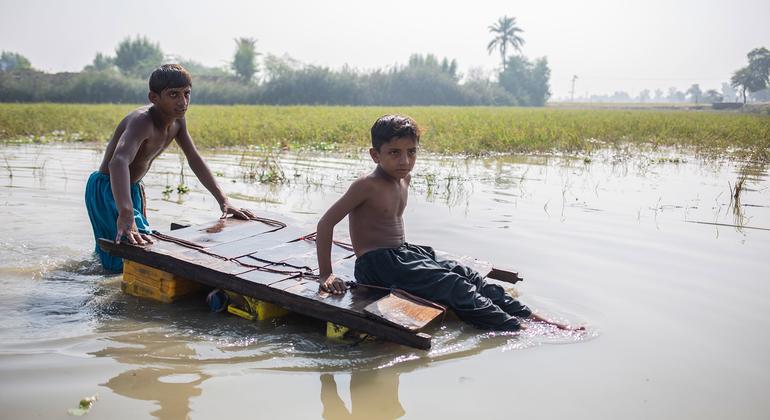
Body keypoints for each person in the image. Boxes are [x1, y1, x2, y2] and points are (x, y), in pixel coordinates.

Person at [316, 114, 581, 332]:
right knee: (454, 286)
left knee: (467, 276)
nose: (405, 161)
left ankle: (534, 318)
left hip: (404, 254)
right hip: (378, 265)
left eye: (411, 152)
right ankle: (516, 329)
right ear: (375, 155)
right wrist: (326, 273)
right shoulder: (367, 185)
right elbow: (326, 224)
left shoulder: (403, 179)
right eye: (394, 153)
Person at [85, 64, 254, 272]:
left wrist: (224, 200)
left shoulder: (178, 122)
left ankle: (100, 273)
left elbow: (194, 158)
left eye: (186, 94)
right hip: (108, 188)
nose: (183, 102)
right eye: (173, 94)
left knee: (133, 246)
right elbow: (118, 162)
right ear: (154, 97)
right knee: (125, 251)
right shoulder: (142, 121)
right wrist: (125, 210)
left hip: (131, 188)